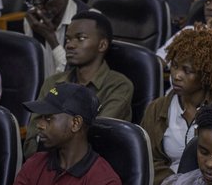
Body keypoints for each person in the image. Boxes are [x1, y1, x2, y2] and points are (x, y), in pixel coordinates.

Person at [144, 24, 212, 185]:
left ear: (207, 74)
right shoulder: (157, 108)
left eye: (187, 70)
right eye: (175, 66)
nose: (176, 75)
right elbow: (149, 160)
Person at [21, 11, 133, 156]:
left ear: (102, 45)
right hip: (45, 166)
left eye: (80, 38)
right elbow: (31, 141)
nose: (70, 45)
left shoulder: (118, 86)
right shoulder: (53, 82)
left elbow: (95, 137)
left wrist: (51, 137)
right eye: (68, 39)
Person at [21, 0, 81, 78]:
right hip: (44, 92)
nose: (37, 6)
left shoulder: (87, 23)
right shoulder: (33, 20)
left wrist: (51, 38)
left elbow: (75, 76)